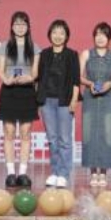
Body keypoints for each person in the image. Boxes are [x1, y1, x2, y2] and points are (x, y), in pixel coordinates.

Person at [35, 19, 81, 189]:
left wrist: (74, 100)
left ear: (66, 35)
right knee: (52, 139)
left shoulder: (72, 55)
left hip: (65, 100)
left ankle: (63, 173)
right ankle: (54, 172)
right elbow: (39, 79)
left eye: (62, 33)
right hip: (46, 101)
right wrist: (38, 101)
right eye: (55, 32)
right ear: (50, 34)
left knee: (65, 139)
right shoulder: (44, 54)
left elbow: (76, 80)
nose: (58, 36)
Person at [0, 11, 39, 188]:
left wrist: (29, 78)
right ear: (12, 27)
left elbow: (35, 72)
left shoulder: (35, 47)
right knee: (8, 132)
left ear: (28, 27)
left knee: (25, 133)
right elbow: (0, 70)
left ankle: (22, 172)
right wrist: (6, 79)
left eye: (23, 24)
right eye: (17, 24)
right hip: (9, 91)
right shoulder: (5, 46)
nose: (20, 27)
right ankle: (10, 173)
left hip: (27, 92)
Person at [79, 22, 111, 188]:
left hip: (107, 98)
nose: (100, 38)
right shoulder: (86, 54)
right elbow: (78, 76)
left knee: (108, 133)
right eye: (97, 34)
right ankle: (93, 173)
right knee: (89, 133)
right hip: (90, 98)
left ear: (109, 37)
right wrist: (90, 84)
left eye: (103, 34)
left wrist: (109, 84)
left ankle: (103, 172)